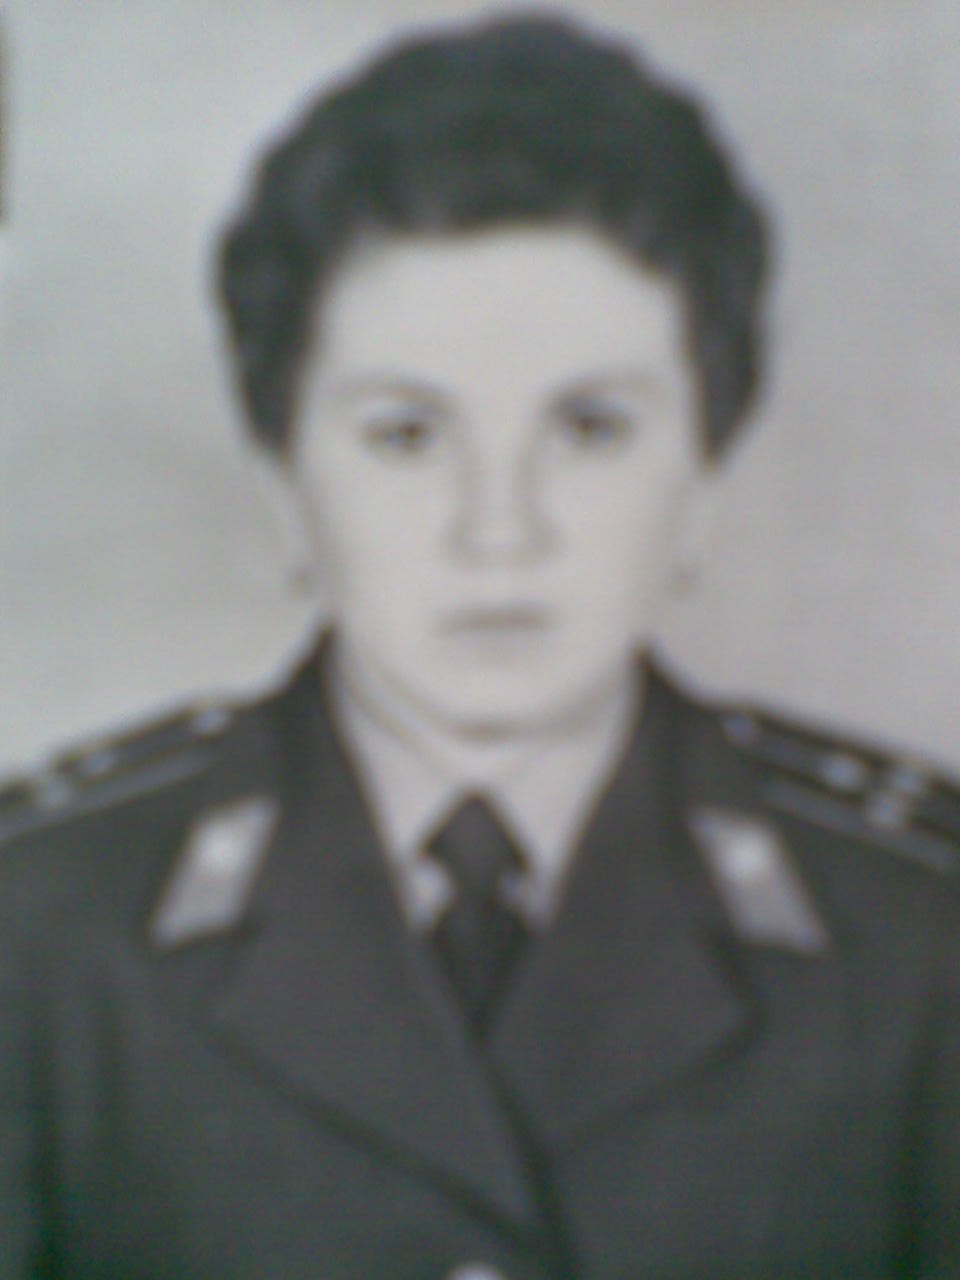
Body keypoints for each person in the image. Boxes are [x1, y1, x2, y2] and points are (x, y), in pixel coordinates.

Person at [2, 13, 959, 1279]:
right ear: (283, 483)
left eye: (591, 428)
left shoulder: (918, 936)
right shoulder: (42, 930)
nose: (498, 530)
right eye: (406, 435)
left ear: (705, 478)